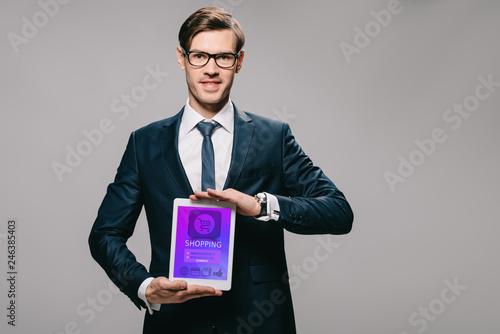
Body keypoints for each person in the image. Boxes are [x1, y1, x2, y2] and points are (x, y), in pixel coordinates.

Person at [89, 6, 353, 334]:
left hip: (260, 322)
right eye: (199, 55)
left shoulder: (274, 137)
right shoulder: (144, 143)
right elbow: (104, 234)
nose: (211, 69)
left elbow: (339, 212)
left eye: (223, 58)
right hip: (175, 325)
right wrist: (144, 286)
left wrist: (261, 206)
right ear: (181, 58)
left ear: (238, 62)